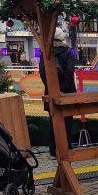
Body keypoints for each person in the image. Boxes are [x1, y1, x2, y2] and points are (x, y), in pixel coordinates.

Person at [39, 27, 76, 159]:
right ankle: (67, 148)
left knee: (53, 121)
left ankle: (54, 150)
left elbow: (43, 74)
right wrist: (63, 89)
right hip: (67, 93)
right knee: (67, 121)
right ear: (62, 37)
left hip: (51, 93)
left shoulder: (46, 53)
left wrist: (52, 88)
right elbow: (70, 73)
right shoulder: (69, 52)